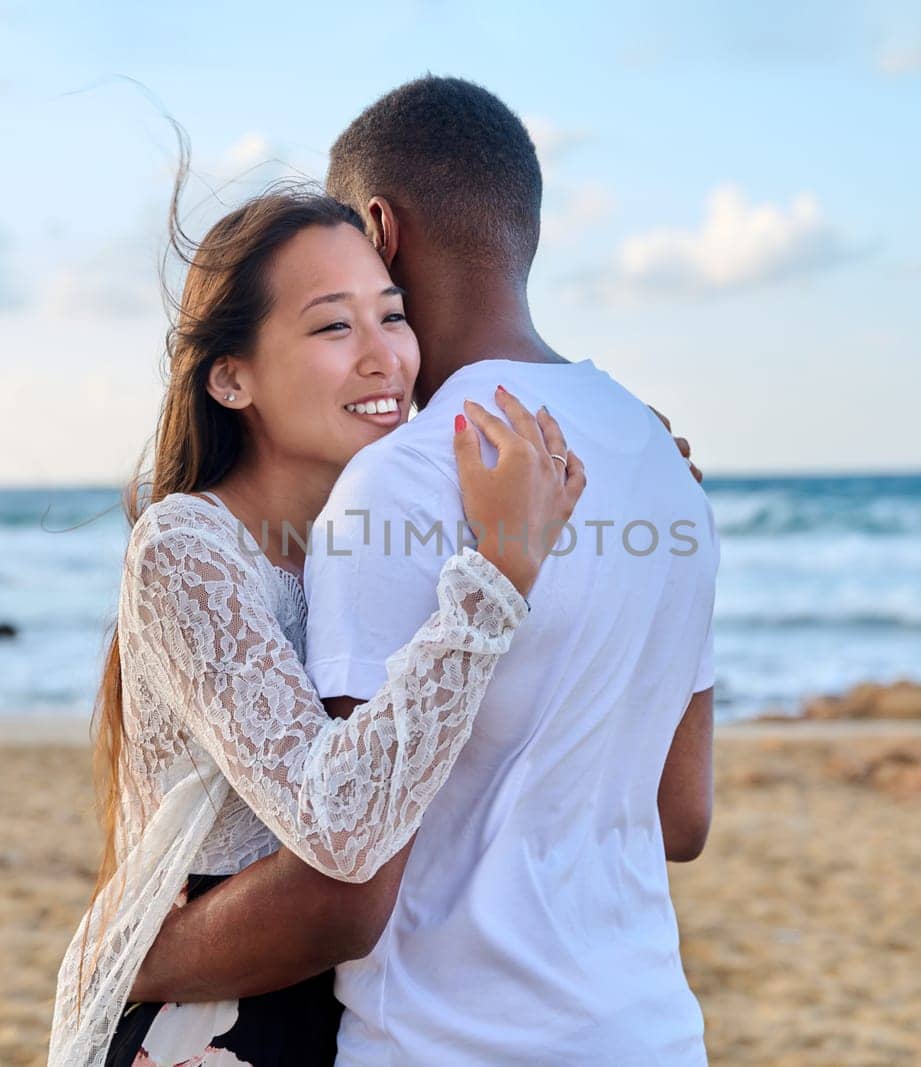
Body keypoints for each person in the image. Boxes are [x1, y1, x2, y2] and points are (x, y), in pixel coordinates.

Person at [130, 77, 719, 1065]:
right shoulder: (662, 465)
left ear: (375, 228)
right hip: (648, 1028)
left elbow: (342, 893)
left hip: (450, 1041)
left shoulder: (400, 480)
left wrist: (133, 955)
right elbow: (681, 813)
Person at [46, 187, 589, 1067]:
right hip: (212, 1023)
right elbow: (337, 821)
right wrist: (498, 574)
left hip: (356, 1010)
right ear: (231, 376)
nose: (387, 359)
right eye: (334, 328)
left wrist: (639, 469)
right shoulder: (185, 546)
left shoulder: (381, 539)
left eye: (394, 315)